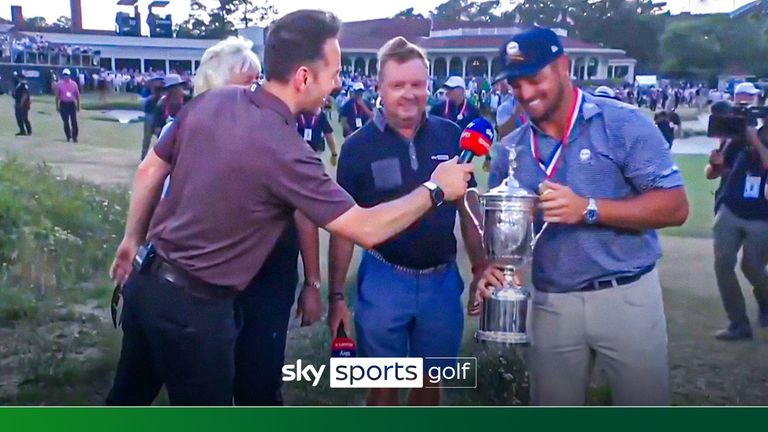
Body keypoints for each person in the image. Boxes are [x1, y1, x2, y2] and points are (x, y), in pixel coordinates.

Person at [106, 9, 473, 406]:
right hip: (196, 309)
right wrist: (436, 189)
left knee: (125, 403)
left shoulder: (215, 100)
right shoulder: (288, 152)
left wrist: (131, 240)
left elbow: (150, 170)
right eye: (332, 74)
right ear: (303, 77)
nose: (336, 86)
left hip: (146, 282)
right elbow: (365, 228)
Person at [477, 27, 689, 406]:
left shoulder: (622, 123)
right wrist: (497, 270)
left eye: (534, 79)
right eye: (514, 84)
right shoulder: (511, 150)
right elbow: (511, 240)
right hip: (551, 302)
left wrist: (589, 208)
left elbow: (675, 206)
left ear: (563, 67)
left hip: (625, 294)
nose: (525, 93)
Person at [328, 36, 485, 407]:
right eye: (398, 85)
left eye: (417, 84)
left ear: (428, 85)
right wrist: (336, 296)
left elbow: (468, 205)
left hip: (441, 281)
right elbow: (343, 229)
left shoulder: (451, 135)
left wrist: (481, 265)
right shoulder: (357, 147)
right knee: (384, 386)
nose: (409, 94)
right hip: (385, 278)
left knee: (431, 384)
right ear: (379, 87)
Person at [705, 85, 768, 341]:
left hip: (762, 215)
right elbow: (712, 173)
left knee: (752, 267)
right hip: (731, 208)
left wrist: (754, 139)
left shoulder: (755, 135)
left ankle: (765, 301)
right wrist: (715, 165)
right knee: (723, 264)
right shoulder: (736, 136)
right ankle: (738, 323)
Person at [140, 77, 164, 160]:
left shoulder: (163, 91)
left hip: (160, 116)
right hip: (149, 115)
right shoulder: (146, 91)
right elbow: (143, 103)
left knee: (161, 137)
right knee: (147, 137)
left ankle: (161, 158)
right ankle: (143, 157)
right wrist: (152, 96)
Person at [54, 68, 80, 143]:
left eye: (67, 75)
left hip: (71, 104)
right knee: (65, 121)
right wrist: (57, 106)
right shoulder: (59, 84)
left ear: (69, 76)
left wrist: (78, 106)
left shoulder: (74, 84)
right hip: (63, 104)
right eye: (64, 75)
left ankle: (75, 137)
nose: (66, 77)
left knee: (74, 121)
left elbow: (77, 95)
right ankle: (68, 136)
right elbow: (57, 96)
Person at [12, 72, 31, 136]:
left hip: (22, 104)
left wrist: (21, 103)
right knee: (21, 117)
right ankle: (24, 130)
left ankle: (26, 130)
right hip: (20, 102)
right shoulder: (20, 85)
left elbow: (24, 95)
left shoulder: (23, 85)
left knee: (22, 117)